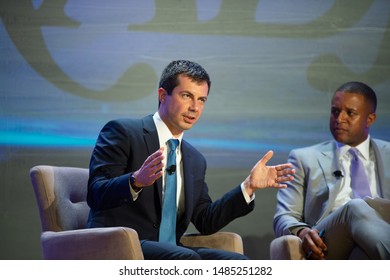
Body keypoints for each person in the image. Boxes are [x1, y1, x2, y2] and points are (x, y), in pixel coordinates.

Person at [86, 59, 295, 260]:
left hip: (173, 252)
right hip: (122, 245)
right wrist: (136, 181)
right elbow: (96, 193)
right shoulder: (124, 132)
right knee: (186, 258)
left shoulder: (194, 159)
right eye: (187, 96)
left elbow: (206, 220)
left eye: (201, 100)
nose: (195, 107)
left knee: (238, 263)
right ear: (162, 95)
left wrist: (248, 187)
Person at [273, 81, 390, 260]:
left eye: (350, 113)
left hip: (378, 237)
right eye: (335, 111)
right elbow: (284, 216)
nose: (340, 119)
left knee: (362, 255)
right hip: (328, 242)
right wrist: (302, 232)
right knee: (355, 206)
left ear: (370, 119)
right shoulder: (303, 158)